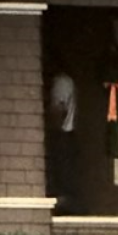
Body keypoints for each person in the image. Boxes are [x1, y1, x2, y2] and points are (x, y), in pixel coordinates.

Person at [47, 55, 77, 214]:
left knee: (62, 174)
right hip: (64, 135)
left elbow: (59, 109)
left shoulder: (62, 82)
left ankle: (64, 209)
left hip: (63, 134)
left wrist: (52, 131)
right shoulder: (64, 81)